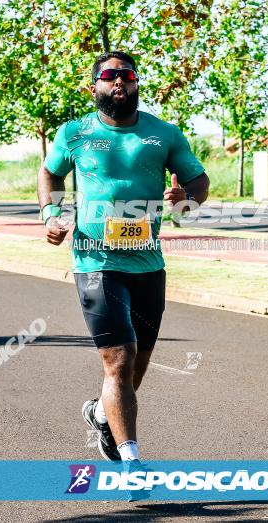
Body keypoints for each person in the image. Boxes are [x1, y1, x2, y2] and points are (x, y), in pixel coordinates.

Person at [38, 51, 210, 466]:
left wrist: (187, 200)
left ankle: (100, 413)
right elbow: (50, 173)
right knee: (119, 359)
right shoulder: (75, 133)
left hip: (148, 264)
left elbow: (198, 181)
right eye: (110, 76)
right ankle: (131, 460)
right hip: (94, 261)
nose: (120, 82)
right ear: (94, 85)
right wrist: (51, 214)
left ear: (136, 84)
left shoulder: (164, 134)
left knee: (139, 363)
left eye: (127, 76)